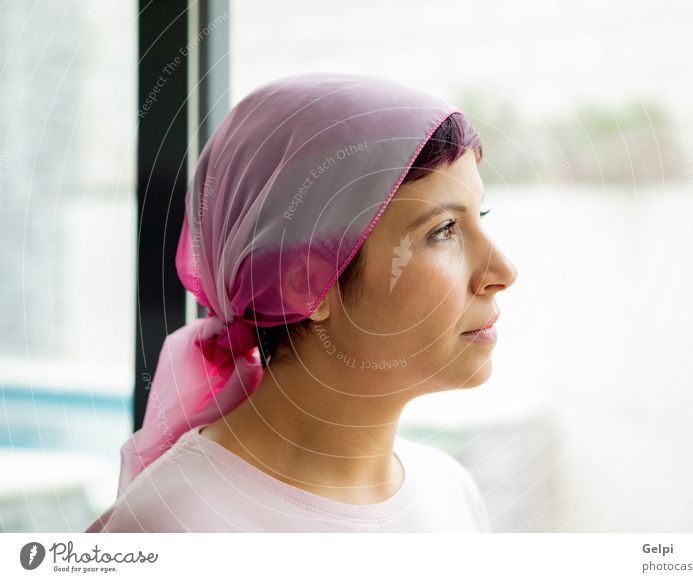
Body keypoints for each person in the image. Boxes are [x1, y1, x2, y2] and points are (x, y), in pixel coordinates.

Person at [85, 72, 517, 532]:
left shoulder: (452, 492)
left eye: (481, 215)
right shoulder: (175, 528)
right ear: (306, 285)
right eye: (443, 230)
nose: (504, 273)